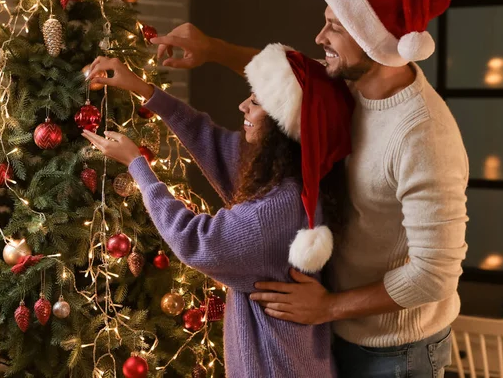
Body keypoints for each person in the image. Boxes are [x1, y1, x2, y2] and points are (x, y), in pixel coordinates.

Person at [150, 0, 469, 376]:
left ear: (373, 38)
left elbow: (433, 276)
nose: (319, 36)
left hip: (396, 353)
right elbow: (292, 80)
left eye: (335, 26)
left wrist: (329, 307)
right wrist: (212, 49)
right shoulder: (350, 83)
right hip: (336, 332)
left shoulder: (423, 138)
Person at [83, 43, 355, 378]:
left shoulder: (278, 208)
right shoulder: (292, 175)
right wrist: (142, 87)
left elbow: (195, 240)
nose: (242, 106)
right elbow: (207, 137)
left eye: (255, 102)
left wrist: (137, 165)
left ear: (283, 124)